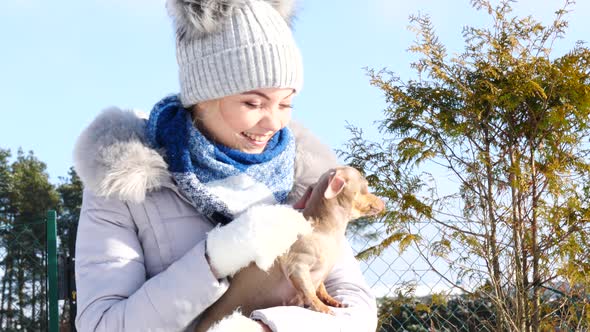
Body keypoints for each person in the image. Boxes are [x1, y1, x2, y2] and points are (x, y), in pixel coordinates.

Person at [73, 0, 378, 331]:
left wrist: (265, 328)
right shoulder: (124, 183)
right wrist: (217, 256)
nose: (273, 122)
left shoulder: (306, 177)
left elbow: (355, 311)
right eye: (253, 103)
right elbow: (102, 325)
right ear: (203, 95)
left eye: (286, 103)